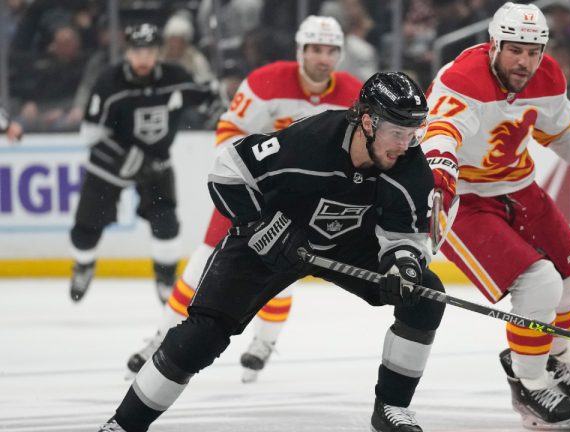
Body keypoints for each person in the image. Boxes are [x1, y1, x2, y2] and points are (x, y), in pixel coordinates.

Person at [98, 71, 444, 432]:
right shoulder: (310, 141)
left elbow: (405, 235)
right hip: (267, 240)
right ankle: (123, 425)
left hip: (344, 245)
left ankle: (391, 408)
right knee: (200, 337)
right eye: (398, 132)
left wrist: (402, 266)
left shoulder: (410, 168)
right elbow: (227, 170)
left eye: (413, 132)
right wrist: (262, 227)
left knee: (424, 295)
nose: (406, 144)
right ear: (369, 123)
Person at [422, 2, 570, 431]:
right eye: (516, 50)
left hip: (517, 185)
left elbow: (562, 128)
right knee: (540, 284)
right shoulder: (463, 79)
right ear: (495, 44)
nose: (525, 61)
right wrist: (441, 168)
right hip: (464, 197)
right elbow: (440, 130)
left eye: (534, 51)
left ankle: (550, 358)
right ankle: (529, 383)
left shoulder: (548, 75)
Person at [124, 16, 363, 383]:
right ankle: (160, 338)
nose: (322, 58)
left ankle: (265, 341)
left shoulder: (353, 93)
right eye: (315, 49)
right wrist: (242, 178)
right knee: (200, 264)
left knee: (285, 268)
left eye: (330, 50)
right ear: (301, 50)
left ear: (340, 54)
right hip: (252, 191)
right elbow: (230, 129)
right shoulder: (266, 81)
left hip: (305, 202)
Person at [69, 23, 220, 304]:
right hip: (109, 169)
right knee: (85, 230)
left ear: (158, 53)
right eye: (137, 52)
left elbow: (206, 95)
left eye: (149, 51)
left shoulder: (174, 77)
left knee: (167, 223)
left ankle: (165, 278)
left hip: (156, 166)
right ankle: (83, 264)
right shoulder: (108, 82)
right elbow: (89, 135)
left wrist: (217, 98)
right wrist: (126, 158)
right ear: (127, 53)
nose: (143, 59)